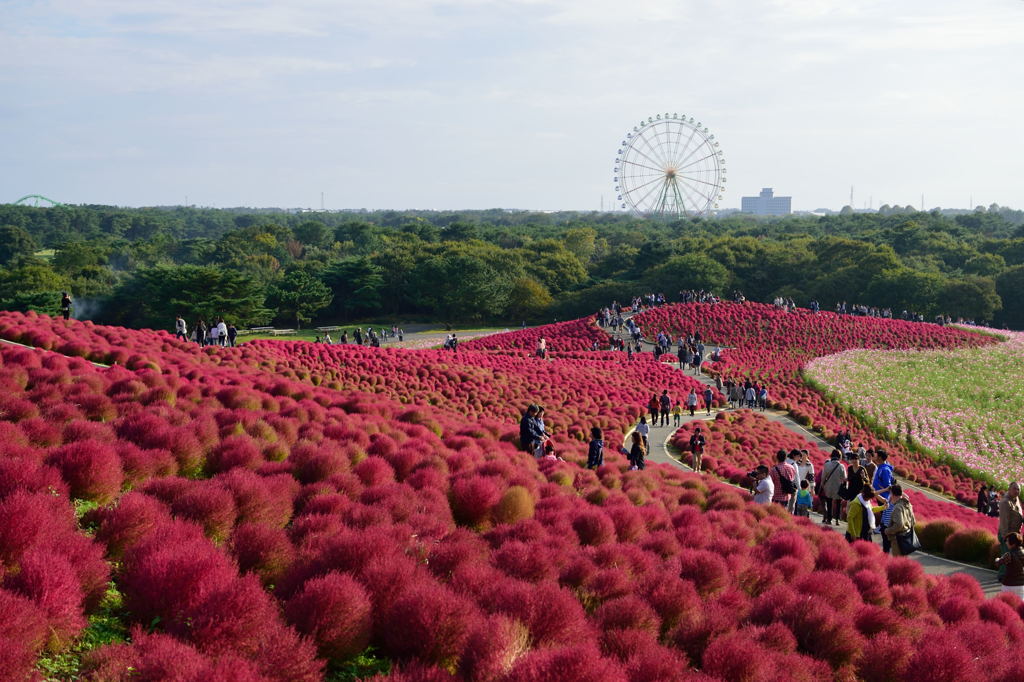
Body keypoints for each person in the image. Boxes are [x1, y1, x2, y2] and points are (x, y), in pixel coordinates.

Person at [883, 484, 916, 556]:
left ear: (893, 495)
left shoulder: (897, 507)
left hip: (898, 539)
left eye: (890, 494)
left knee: (897, 562)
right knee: (902, 562)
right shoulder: (908, 504)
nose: (890, 496)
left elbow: (899, 525)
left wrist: (887, 530)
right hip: (906, 538)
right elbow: (913, 521)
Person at [820, 450, 847, 525]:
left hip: (828, 487)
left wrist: (823, 486)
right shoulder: (841, 466)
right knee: (838, 504)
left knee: (829, 503)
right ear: (839, 457)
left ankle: (829, 519)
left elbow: (823, 477)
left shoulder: (826, 465)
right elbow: (844, 478)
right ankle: (837, 520)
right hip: (838, 488)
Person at [994, 532, 1024, 599]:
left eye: (1007, 541)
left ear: (1013, 543)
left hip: (1009, 585)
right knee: (1020, 606)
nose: (1006, 543)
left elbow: (998, 563)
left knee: (1005, 603)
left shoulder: (1008, 555)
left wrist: (997, 559)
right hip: (1021, 585)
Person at [999, 481, 1023, 552]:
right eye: (1014, 488)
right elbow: (1004, 523)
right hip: (1008, 537)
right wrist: (1006, 540)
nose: (1016, 491)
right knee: (1007, 558)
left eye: (1018, 489)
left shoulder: (1016, 499)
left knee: (1014, 560)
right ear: (1009, 489)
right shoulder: (1005, 502)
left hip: (1015, 535)